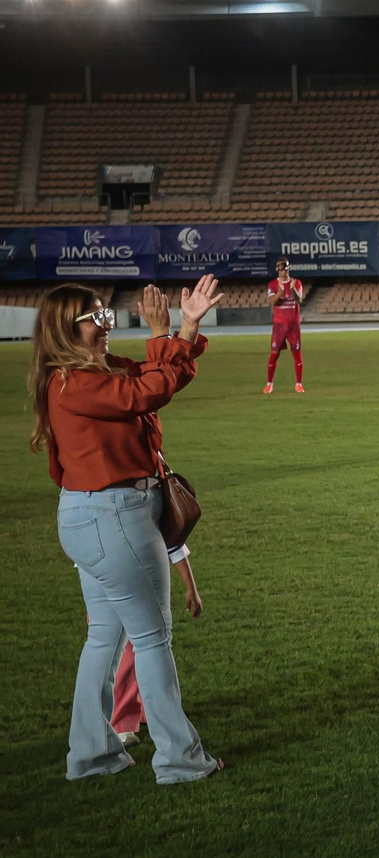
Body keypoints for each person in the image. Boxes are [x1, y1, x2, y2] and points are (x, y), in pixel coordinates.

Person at [30, 278, 225, 784]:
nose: (107, 325)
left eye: (106, 315)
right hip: (114, 516)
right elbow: (149, 391)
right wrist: (164, 330)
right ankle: (179, 761)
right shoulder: (75, 382)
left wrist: (187, 326)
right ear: (65, 329)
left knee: (105, 637)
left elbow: (163, 379)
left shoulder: (87, 373)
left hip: (95, 516)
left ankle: (92, 755)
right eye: (96, 318)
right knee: (153, 637)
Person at [101, 540, 200, 747]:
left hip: (145, 583)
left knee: (152, 650)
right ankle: (121, 723)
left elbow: (173, 539)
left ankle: (149, 711)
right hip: (116, 583)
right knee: (127, 655)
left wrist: (191, 585)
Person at [264, 260, 305, 394]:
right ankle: (269, 384)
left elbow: (299, 300)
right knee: (274, 355)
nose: (284, 272)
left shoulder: (296, 283)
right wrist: (280, 292)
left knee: (297, 355)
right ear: (277, 270)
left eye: (286, 269)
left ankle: (299, 384)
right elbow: (271, 302)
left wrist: (292, 288)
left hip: (293, 325)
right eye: (281, 269)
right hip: (279, 326)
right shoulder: (273, 284)